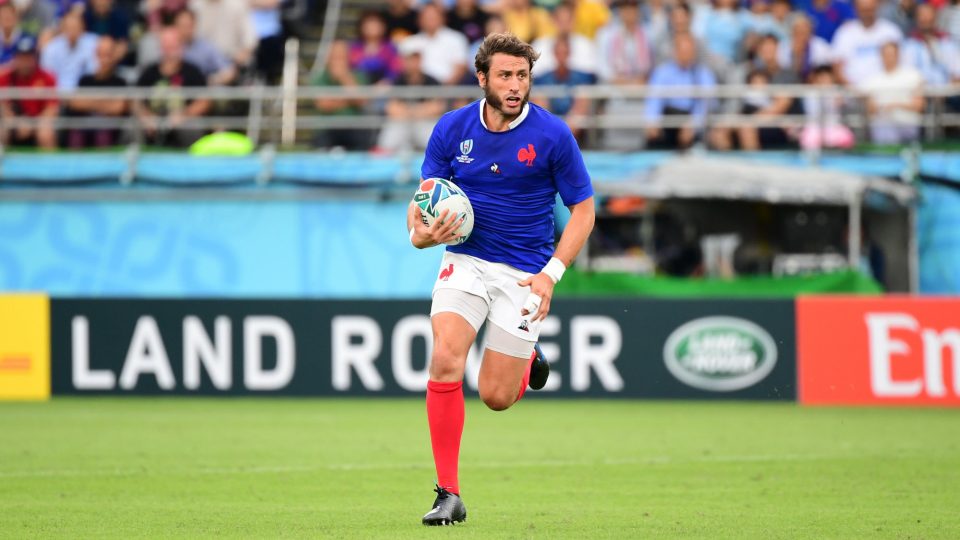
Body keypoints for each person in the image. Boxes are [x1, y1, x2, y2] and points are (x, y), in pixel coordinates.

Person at [406, 32, 595, 526]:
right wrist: (418, 235)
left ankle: (527, 354)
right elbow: (424, 196)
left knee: (495, 396)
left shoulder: (553, 135)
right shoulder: (452, 128)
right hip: (465, 260)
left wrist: (552, 275)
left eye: (523, 76)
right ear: (483, 78)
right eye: (506, 76)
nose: (515, 85)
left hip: (524, 274)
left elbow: (584, 210)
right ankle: (448, 492)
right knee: (445, 357)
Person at [133, 27, 210, 147]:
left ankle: (191, 163)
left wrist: (184, 115)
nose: (169, 52)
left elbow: (204, 102)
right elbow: (136, 101)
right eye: (166, 47)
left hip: (183, 120)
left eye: (173, 46)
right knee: (132, 128)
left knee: (192, 128)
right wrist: (146, 117)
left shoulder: (193, 72)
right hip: (152, 121)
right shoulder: (149, 72)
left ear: (181, 47)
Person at [644, 33, 717, 150]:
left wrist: (694, 125)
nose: (685, 54)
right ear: (675, 51)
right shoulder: (662, 72)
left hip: (691, 119)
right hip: (668, 118)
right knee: (653, 138)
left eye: (688, 51)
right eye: (682, 50)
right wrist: (652, 122)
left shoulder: (703, 74)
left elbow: (706, 104)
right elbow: (654, 99)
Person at [375, 39, 444, 152]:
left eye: (415, 58)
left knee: (436, 143)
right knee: (387, 142)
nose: (412, 62)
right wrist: (418, 110)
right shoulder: (397, 80)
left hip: (424, 122)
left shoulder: (432, 80)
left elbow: (436, 107)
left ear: (420, 59)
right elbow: (391, 108)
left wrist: (410, 111)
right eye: (408, 59)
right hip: (402, 121)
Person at [64, 35, 127, 147]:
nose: (104, 59)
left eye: (107, 54)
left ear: (113, 56)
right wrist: (105, 103)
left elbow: (118, 107)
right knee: (76, 136)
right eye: (101, 54)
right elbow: (75, 103)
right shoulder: (85, 80)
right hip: (84, 126)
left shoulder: (120, 82)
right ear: (96, 55)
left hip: (108, 129)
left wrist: (89, 102)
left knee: (102, 135)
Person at [861, 40, 924, 144]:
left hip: (907, 122)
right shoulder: (871, 80)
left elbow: (919, 106)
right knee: (885, 127)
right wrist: (883, 109)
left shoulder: (913, 75)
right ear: (881, 56)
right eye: (886, 54)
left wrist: (895, 106)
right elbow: (870, 109)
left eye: (892, 54)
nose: (889, 57)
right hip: (883, 124)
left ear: (898, 55)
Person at [0, 34, 57, 148]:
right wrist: (15, 122)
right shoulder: (5, 77)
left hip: (38, 123)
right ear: (15, 58)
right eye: (21, 57)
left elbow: (51, 108)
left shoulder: (47, 77)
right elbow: (2, 106)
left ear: (35, 57)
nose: (25, 61)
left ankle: (49, 165)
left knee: (46, 134)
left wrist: (33, 125)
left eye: (28, 56)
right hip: (13, 122)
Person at [831, 0, 903, 86]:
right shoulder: (844, 32)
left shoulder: (891, 31)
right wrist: (854, 90)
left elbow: (901, 63)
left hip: (885, 90)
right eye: (863, 10)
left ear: (877, 7)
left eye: (870, 10)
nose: (867, 14)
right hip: (852, 93)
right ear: (856, 9)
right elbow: (837, 68)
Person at [39, 10, 97, 90]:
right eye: (69, 28)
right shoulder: (52, 48)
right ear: (62, 29)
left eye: (75, 27)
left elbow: (95, 72)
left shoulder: (94, 43)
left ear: (83, 27)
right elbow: (47, 75)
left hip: (86, 92)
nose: (72, 31)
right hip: (58, 94)